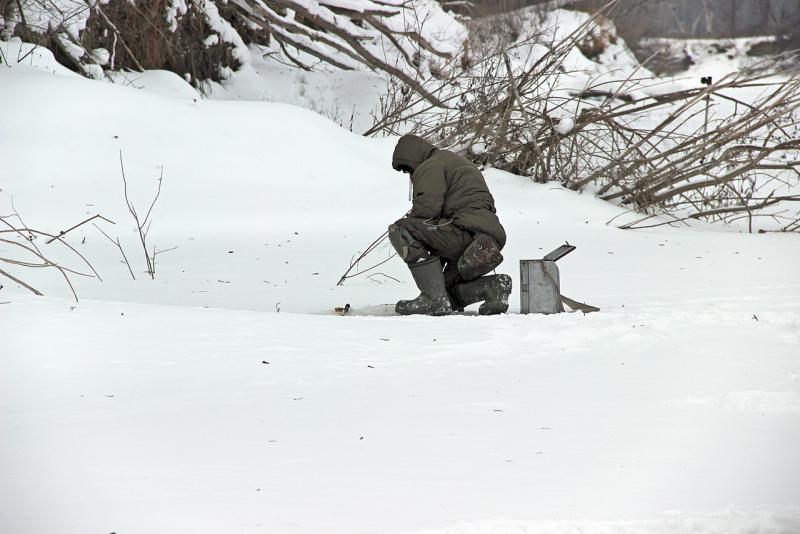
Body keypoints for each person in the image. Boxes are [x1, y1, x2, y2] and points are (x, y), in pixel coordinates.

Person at [389, 134, 512, 316]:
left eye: (407, 169)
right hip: (487, 244)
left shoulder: (430, 165)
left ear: (411, 157)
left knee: (400, 229)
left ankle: (433, 299)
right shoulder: (455, 162)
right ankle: (493, 287)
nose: (409, 174)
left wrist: (410, 221)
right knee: (447, 293)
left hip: (464, 237)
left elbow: (427, 210)